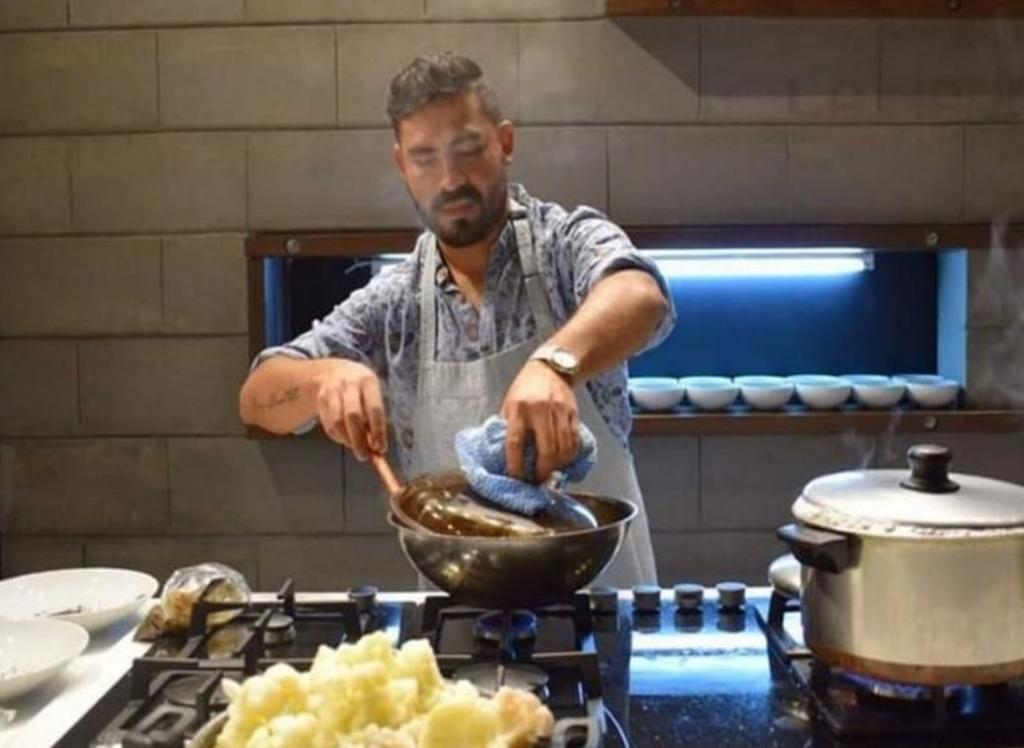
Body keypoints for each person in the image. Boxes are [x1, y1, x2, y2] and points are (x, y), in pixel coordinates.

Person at [239, 52, 676, 587]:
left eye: (468, 150)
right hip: (459, 609)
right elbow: (258, 399)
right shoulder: (396, 302)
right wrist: (320, 377)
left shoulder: (564, 244)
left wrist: (555, 364)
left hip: (599, 595)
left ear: (505, 143)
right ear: (402, 165)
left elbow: (640, 294)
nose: (450, 179)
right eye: (424, 158)